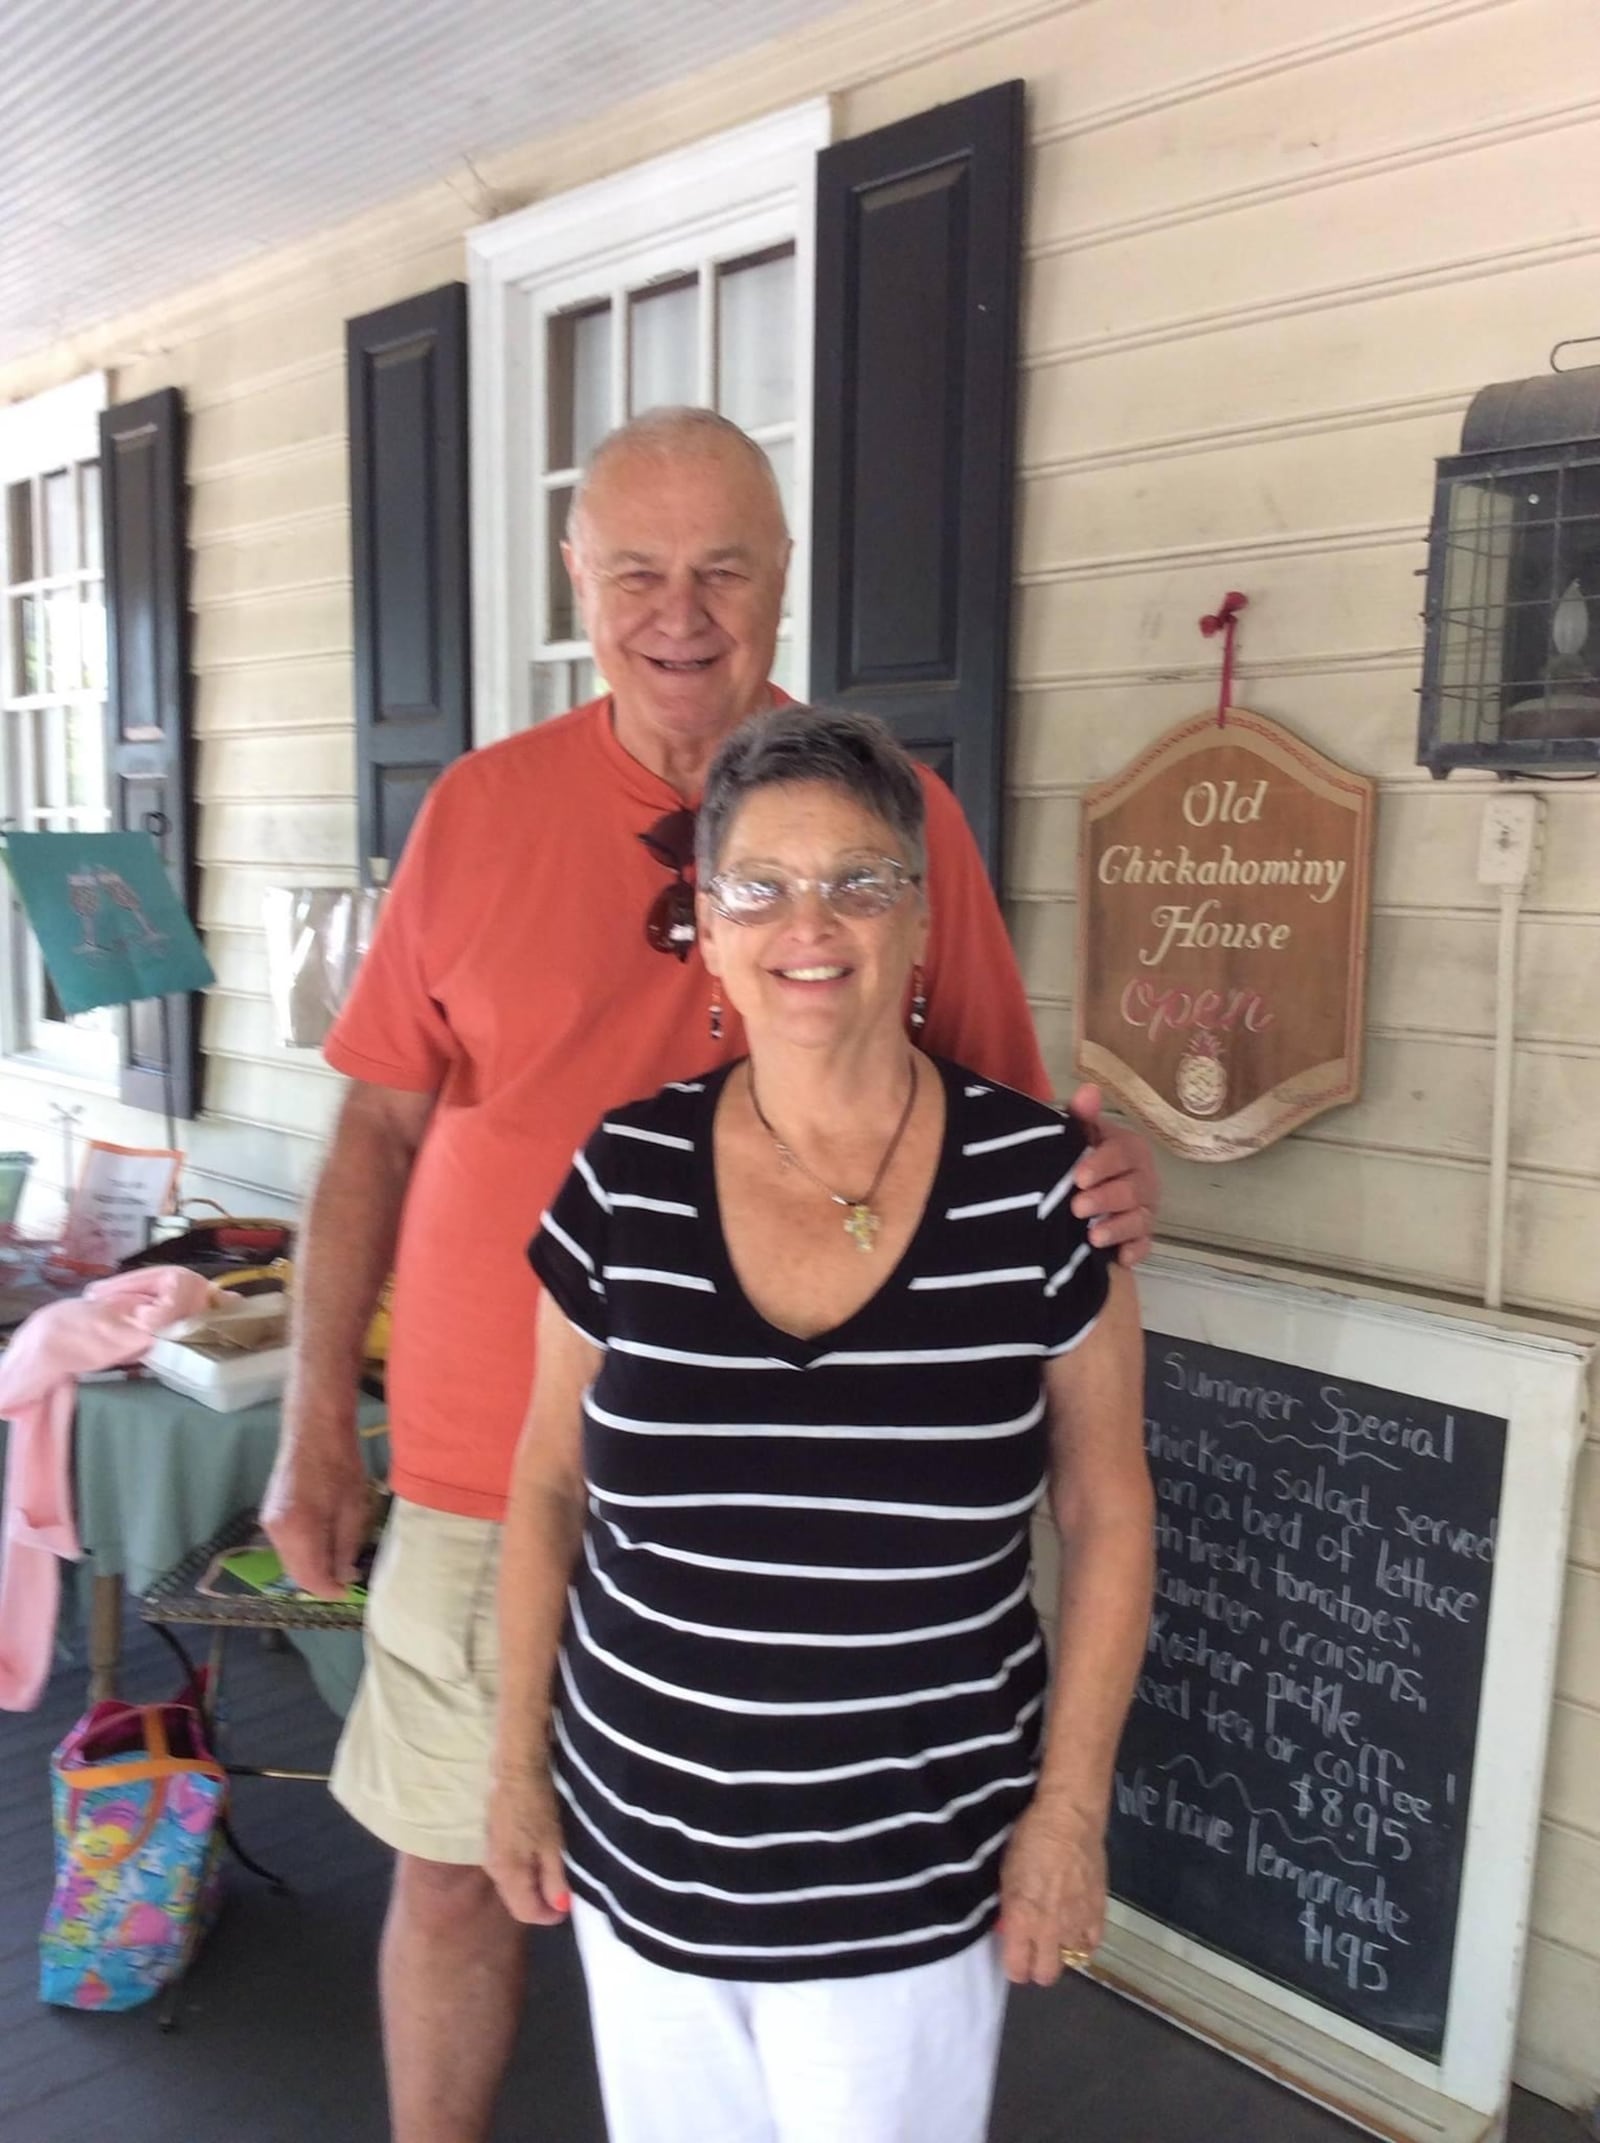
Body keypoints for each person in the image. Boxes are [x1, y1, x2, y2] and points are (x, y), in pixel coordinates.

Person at [263, 407, 1161, 2143]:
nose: (682, 612)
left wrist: (1104, 1180)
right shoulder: (474, 811)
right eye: (639, 572)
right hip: (491, 1458)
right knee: (462, 1874)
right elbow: (372, 1134)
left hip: (818, 1487)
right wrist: (320, 1418)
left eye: (725, 569)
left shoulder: (905, 825)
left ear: (784, 585)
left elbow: (994, 1117)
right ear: (577, 584)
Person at [486, 705, 1154, 2143]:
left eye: (860, 880)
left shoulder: (1047, 1190)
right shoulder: (624, 1173)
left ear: (919, 925)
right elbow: (545, 1485)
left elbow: (1107, 1516)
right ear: (708, 936)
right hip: (642, 1846)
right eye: (760, 885)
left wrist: (1069, 1814)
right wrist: (513, 1764)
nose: (813, 921)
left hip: (908, 1880)